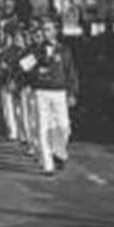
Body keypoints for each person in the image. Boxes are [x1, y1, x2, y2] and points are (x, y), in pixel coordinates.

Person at [23, 19, 77, 175]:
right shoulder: (36, 50)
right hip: (41, 92)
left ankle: (58, 152)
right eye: (43, 30)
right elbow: (24, 68)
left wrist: (72, 92)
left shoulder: (64, 50)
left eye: (48, 29)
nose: (45, 33)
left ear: (55, 31)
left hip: (59, 92)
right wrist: (36, 71)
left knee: (64, 126)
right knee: (42, 127)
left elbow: (70, 72)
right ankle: (48, 164)